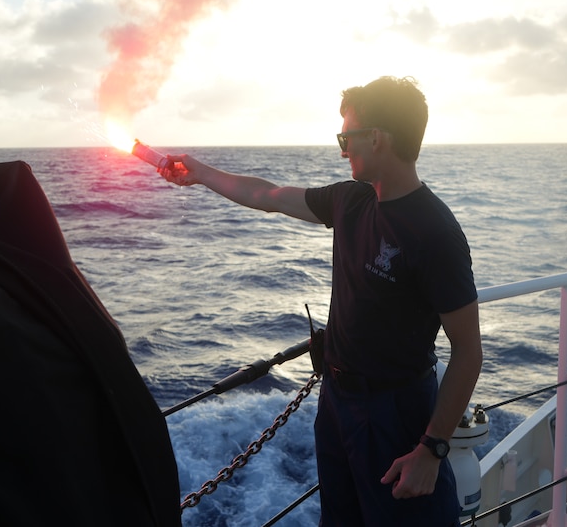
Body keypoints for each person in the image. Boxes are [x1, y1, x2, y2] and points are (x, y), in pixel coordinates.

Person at [160, 76, 482, 526]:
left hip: (396, 413)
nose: (343, 148)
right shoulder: (349, 201)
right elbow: (266, 196)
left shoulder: (436, 233)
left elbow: (468, 352)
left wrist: (431, 450)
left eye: (346, 136)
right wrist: (198, 172)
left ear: (377, 138)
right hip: (337, 402)